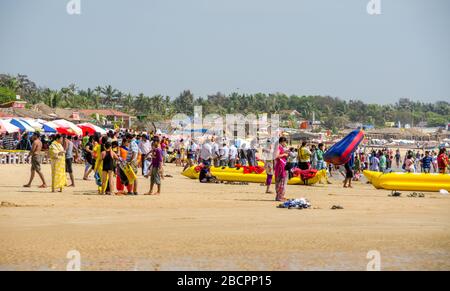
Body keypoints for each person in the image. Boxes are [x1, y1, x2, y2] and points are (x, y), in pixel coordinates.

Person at [274, 137, 289, 202]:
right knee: (281, 181)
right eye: (285, 142)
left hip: (280, 166)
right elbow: (276, 156)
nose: (286, 144)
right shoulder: (279, 147)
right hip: (281, 167)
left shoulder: (279, 147)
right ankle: (280, 197)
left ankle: (280, 196)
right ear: (282, 141)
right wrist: (284, 154)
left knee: (280, 182)